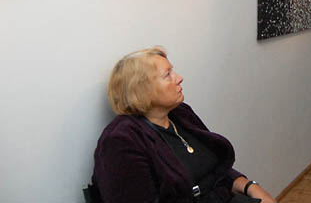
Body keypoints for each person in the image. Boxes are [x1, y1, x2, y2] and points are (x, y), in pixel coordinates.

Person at [92, 46, 276, 203]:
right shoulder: (122, 140)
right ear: (141, 90)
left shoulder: (180, 114)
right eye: (167, 75)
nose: (179, 78)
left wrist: (250, 187)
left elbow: (216, 170)